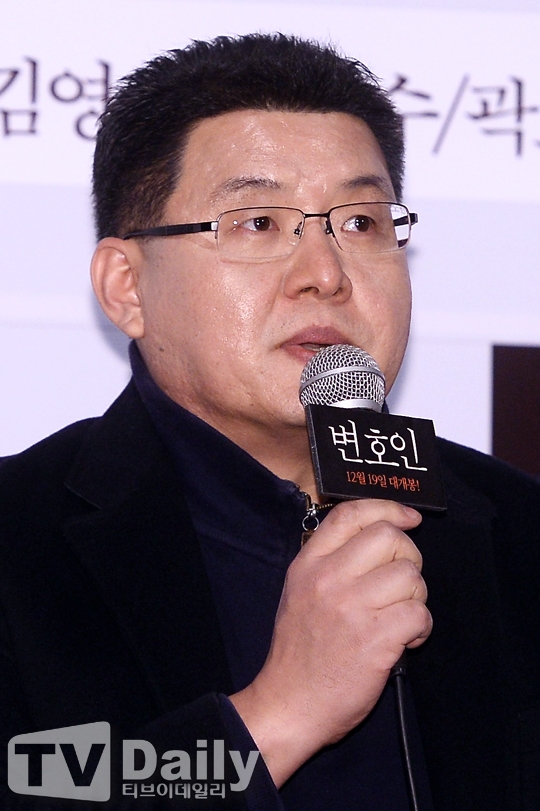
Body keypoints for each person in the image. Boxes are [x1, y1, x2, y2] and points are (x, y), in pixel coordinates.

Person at [0, 33, 539, 811]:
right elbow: (31, 777)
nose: (325, 273)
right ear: (126, 287)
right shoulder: (20, 537)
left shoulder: (519, 531)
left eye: (361, 223)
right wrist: (276, 718)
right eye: (257, 223)